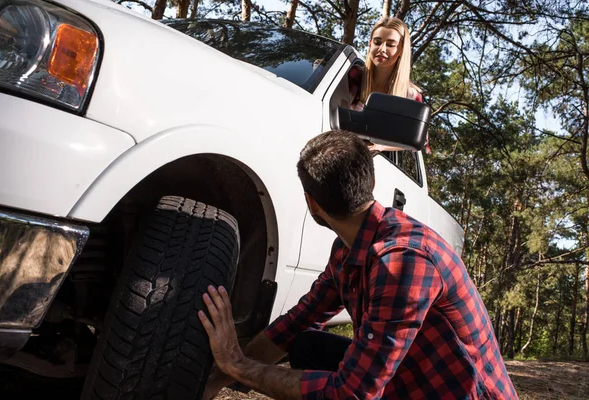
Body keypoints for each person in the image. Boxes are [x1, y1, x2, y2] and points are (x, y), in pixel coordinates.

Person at [198, 130, 518, 400]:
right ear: (372, 182)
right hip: (409, 381)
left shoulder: (404, 263)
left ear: (313, 204)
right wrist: (218, 377)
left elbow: (351, 394)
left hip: (454, 393)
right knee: (307, 345)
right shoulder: (348, 250)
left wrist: (238, 364)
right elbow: (298, 322)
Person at [349, 17, 431, 154]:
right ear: (370, 44)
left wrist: (380, 147)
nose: (381, 49)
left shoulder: (410, 96)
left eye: (390, 44)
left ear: (401, 50)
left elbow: (417, 139)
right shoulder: (354, 76)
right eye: (377, 42)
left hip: (367, 162)